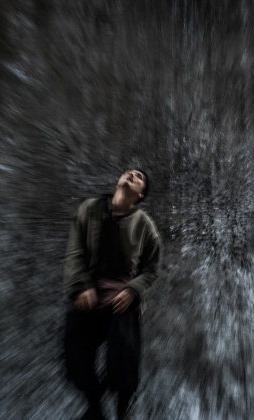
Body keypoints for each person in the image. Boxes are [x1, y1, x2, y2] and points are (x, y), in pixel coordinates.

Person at [63, 169, 162, 420]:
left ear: (140, 195)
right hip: (89, 295)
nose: (132, 175)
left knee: (125, 359)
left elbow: (152, 268)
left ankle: (123, 411)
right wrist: (81, 285)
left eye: (139, 177)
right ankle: (95, 406)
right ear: (119, 181)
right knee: (74, 361)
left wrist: (133, 290)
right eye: (129, 172)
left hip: (122, 300)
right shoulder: (89, 209)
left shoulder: (145, 225)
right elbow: (75, 252)